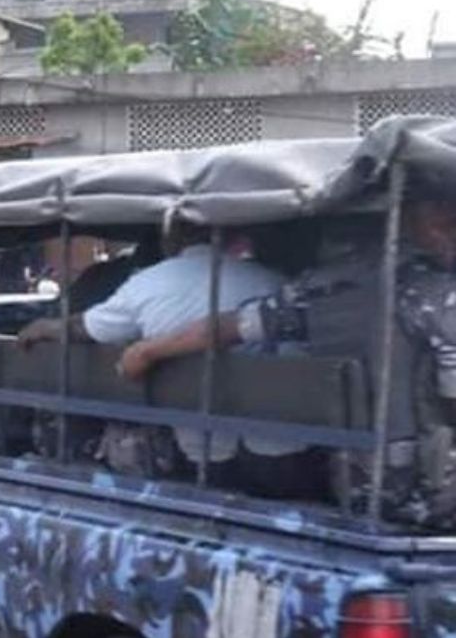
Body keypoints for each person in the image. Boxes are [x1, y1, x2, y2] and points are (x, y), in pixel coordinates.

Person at [119, 197, 456, 521]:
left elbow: (228, 327)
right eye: (442, 214)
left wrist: (147, 350)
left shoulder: (326, 289)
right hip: (435, 500)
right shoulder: (435, 293)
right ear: (408, 219)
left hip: (361, 489)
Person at [17, 225, 302, 483]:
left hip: (201, 452)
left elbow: (90, 329)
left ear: (171, 241)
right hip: (285, 447)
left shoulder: (148, 283)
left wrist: (47, 327)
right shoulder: (273, 281)